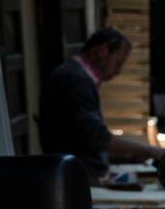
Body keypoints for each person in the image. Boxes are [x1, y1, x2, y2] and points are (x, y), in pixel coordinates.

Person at [39, 27, 153, 182]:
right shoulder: (76, 81)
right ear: (102, 51)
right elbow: (97, 137)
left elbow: (84, 139)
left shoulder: (75, 76)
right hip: (73, 177)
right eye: (118, 63)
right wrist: (150, 150)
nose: (118, 71)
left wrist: (131, 155)